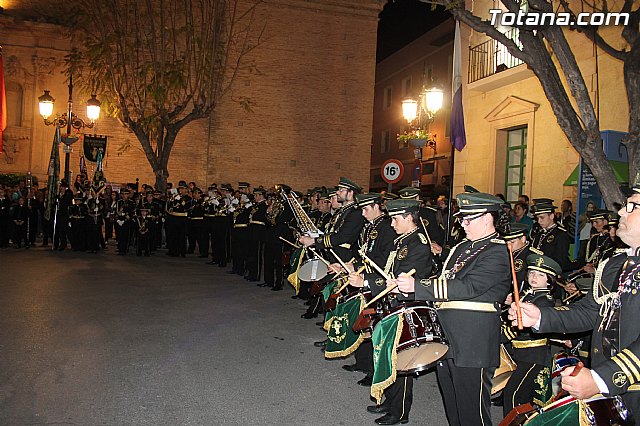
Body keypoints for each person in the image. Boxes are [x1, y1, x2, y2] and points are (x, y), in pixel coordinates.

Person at [507, 178, 640, 420]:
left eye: (632, 207)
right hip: (611, 392)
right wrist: (540, 316)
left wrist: (602, 378)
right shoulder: (616, 265)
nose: (621, 210)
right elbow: (590, 312)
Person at [396, 191, 511, 426]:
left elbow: (469, 287)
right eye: (462, 219)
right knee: (453, 405)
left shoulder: (498, 252)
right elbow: (445, 277)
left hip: (472, 342)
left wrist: (418, 286)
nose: (463, 225)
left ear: (487, 218)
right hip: (448, 336)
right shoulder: (463, 248)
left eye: (468, 219)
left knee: (472, 412)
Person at [368, 198, 433, 425]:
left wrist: (367, 283)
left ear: (408, 217)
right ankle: (390, 400)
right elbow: (387, 274)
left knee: (401, 359)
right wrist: (368, 281)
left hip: (406, 306)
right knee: (388, 354)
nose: (392, 223)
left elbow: (398, 280)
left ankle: (400, 411)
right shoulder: (402, 240)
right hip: (393, 304)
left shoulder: (418, 245)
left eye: (395, 218)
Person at [344, 192, 396, 387]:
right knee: (362, 321)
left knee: (373, 326)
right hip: (365, 277)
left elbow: (384, 259)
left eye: (366, 209)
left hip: (376, 281)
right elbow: (366, 252)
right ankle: (362, 362)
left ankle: (372, 370)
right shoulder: (371, 227)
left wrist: (365, 276)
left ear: (376, 206)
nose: (363, 213)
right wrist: (351, 265)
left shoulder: (386, 228)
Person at [501, 254, 559, 416]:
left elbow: (525, 326)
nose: (534, 277)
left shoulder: (544, 300)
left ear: (549, 280)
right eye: (532, 273)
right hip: (520, 352)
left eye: (541, 275)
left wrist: (501, 335)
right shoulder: (530, 294)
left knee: (513, 394)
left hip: (533, 355)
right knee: (523, 396)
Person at [531, 200, 573, 272]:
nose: (539, 221)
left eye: (542, 217)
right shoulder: (539, 234)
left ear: (552, 216)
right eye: (537, 218)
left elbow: (560, 261)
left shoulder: (560, 234)